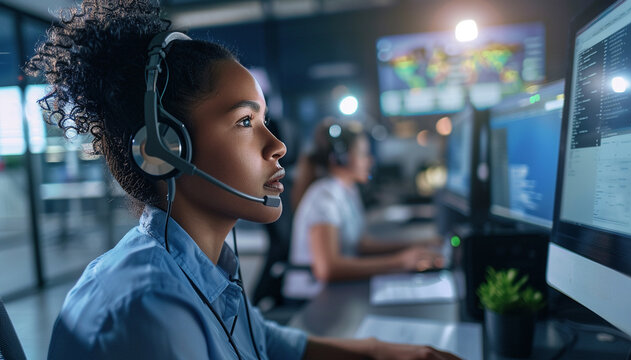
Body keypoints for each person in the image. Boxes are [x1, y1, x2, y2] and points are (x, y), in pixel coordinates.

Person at [25, 1, 459, 359]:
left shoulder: (201, 267)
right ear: (166, 148)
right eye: (246, 120)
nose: (277, 146)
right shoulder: (148, 311)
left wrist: (380, 352)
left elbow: (263, 339)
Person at [284, 121, 444, 299]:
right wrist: (400, 262)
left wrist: (417, 246)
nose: (370, 160)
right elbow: (327, 269)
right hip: (312, 299)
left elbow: (361, 245)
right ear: (341, 158)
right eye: (363, 154)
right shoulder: (324, 197)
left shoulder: (347, 190)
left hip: (336, 291)